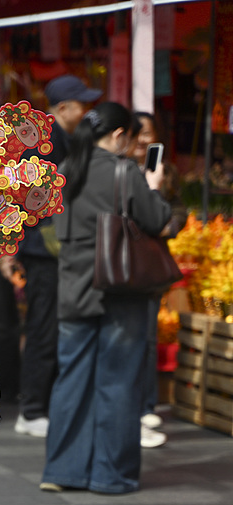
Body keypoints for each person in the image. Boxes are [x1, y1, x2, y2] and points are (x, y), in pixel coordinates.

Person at [41, 102, 171, 495]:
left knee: (72, 379)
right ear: (118, 136)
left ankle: (62, 470)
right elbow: (158, 220)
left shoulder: (65, 172)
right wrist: (154, 188)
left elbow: (56, 232)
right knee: (118, 379)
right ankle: (110, 474)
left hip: (75, 287)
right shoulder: (124, 171)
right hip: (120, 289)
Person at [14, 74, 102, 438]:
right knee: (43, 327)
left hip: (47, 249)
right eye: (82, 105)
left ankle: (38, 404)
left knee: (47, 324)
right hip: (44, 251)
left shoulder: (55, 138)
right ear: (64, 108)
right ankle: (32, 408)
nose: (86, 112)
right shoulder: (47, 142)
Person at [130, 111, 188, 449]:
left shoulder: (166, 171)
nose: (141, 140)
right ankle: (134, 410)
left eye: (147, 133)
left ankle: (146, 405)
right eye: (136, 133)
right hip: (125, 264)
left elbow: (177, 207)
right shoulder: (119, 170)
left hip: (152, 264)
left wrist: (172, 224)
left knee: (148, 335)